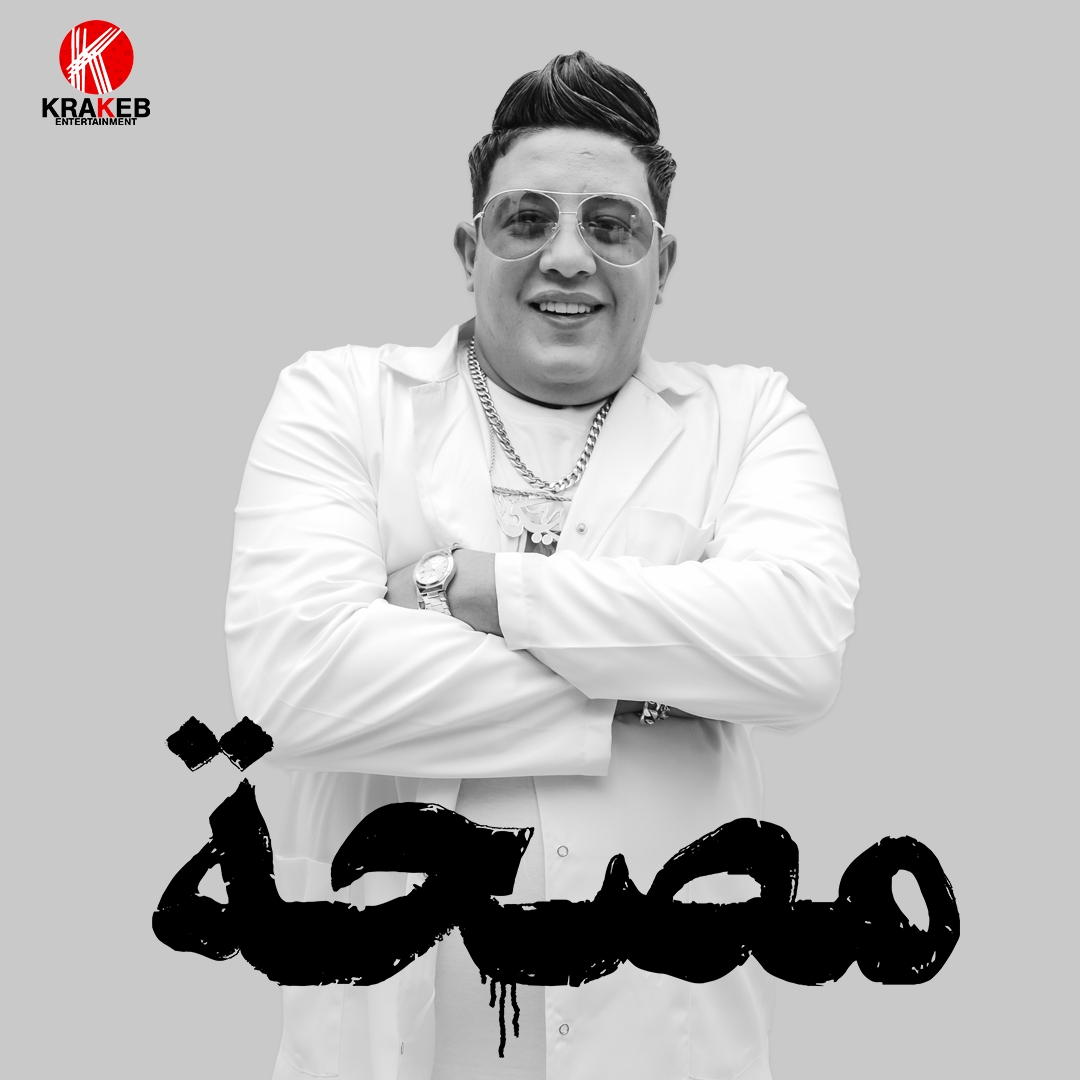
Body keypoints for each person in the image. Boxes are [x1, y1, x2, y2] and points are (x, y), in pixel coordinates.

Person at [226, 51, 859, 1080]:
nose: (567, 257)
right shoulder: (341, 403)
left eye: (611, 226)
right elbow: (291, 689)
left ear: (664, 262)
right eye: (526, 220)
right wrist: (655, 687)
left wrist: (476, 588)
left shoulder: (748, 419)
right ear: (469, 249)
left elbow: (796, 655)